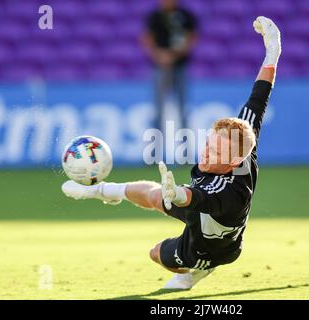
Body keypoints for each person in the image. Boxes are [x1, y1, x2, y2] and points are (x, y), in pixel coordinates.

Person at [62, 16, 281, 290]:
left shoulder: (231, 193)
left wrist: (177, 194)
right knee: (155, 195)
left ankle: (199, 272)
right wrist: (273, 51)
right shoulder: (241, 138)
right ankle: (98, 191)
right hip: (198, 207)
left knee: (156, 253)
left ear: (235, 161)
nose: (206, 154)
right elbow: (259, 97)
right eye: (209, 144)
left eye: (216, 152)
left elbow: (199, 198)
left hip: (210, 246)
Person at [141, 0, 197, 131]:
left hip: (180, 67)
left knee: (182, 106)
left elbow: (191, 38)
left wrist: (174, 55)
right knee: (158, 107)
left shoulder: (185, 15)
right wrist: (159, 55)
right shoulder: (155, 16)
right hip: (159, 67)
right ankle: (156, 143)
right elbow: (147, 38)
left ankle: (185, 144)